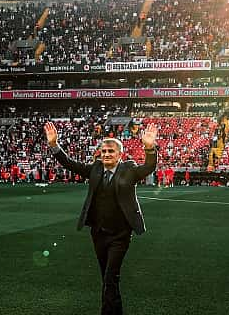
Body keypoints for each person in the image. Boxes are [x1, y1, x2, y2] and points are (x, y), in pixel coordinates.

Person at [44, 121, 158, 315]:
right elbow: (69, 163)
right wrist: (55, 145)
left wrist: (149, 147)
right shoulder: (95, 169)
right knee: (108, 279)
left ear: (120, 155)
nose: (106, 154)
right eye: (103, 151)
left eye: (111, 151)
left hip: (120, 235)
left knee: (110, 277)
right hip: (98, 234)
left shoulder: (129, 169)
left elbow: (148, 167)